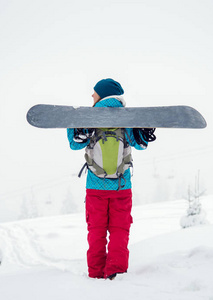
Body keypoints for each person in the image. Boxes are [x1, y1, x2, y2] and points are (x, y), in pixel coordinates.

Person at [66, 78, 156, 280]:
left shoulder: (89, 116)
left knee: (96, 233)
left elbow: (74, 144)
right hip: (122, 187)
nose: (92, 95)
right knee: (119, 231)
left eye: (95, 92)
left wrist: (75, 129)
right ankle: (116, 274)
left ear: (103, 94)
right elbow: (140, 145)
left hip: (95, 187)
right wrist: (143, 131)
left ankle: (96, 276)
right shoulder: (128, 117)